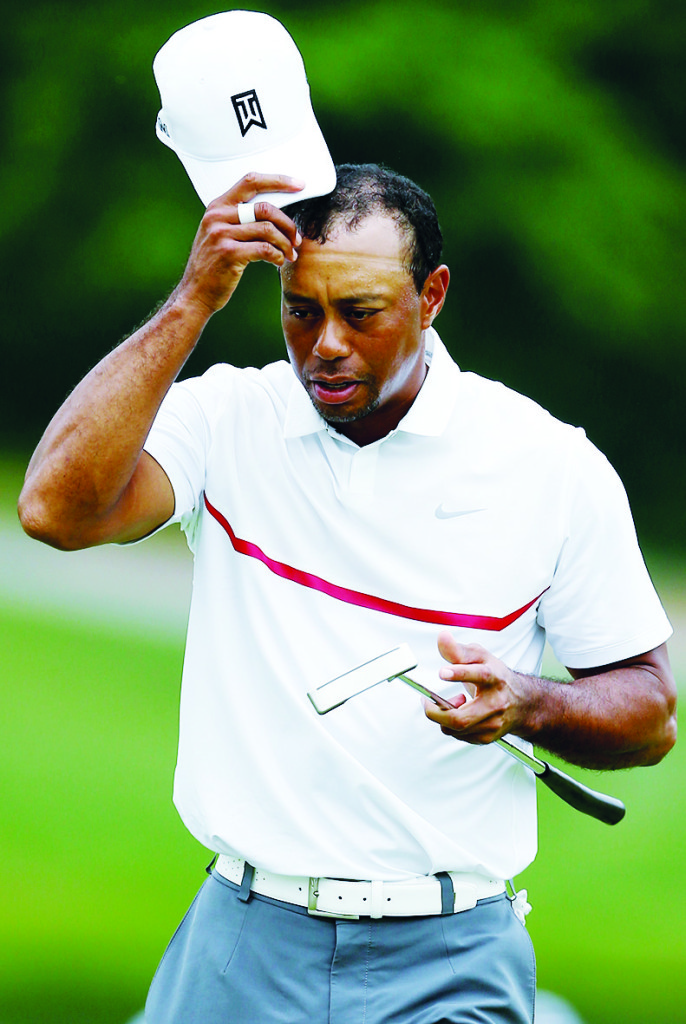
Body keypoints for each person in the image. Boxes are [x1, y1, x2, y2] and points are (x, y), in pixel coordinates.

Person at [19, 163, 676, 1024]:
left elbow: (650, 712)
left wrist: (525, 703)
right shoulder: (229, 419)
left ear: (431, 295)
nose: (324, 343)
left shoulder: (550, 465)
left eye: (359, 312)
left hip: (450, 952)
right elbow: (54, 510)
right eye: (301, 309)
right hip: (241, 939)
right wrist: (192, 300)